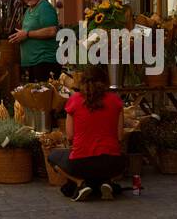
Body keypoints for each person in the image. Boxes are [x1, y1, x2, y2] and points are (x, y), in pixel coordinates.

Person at [47, 64, 127, 201]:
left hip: (80, 163)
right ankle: (106, 181)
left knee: (53, 156)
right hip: (111, 163)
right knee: (125, 160)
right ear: (105, 81)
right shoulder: (115, 101)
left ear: (82, 82)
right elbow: (120, 136)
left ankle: (81, 183)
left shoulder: (74, 100)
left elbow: (70, 135)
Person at [8, 0, 62, 82]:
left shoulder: (44, 7)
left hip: (44, 62)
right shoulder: (29, 10)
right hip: (33, 64)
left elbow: (52, 31)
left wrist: (27, 34)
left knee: (42, 96)